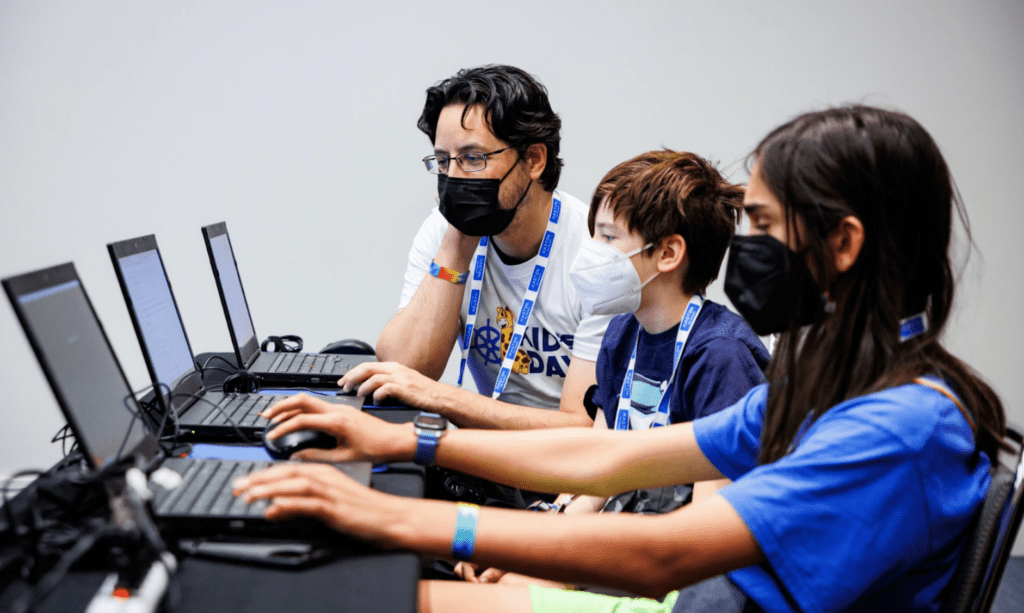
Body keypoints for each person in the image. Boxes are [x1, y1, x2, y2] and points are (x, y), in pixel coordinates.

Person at [234, 105, 1006, 613]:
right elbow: (608, 457)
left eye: (766, 224)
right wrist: (408, 439)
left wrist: (408, 517)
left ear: (843, 243)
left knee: (384, 593)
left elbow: (663, 555)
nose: (749, 249)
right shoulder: (836, 382)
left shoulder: (900, 425)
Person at [455, 150, 771, 588]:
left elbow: (705, 538)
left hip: (682, 572)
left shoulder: (721, 356)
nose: (590, 252)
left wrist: (557, 562)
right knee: (492, 580)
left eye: (607, 236)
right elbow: (596, 475)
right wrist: (533, 545)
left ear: (668, 253)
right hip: (623, 537)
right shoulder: (622, 332)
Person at [355, 64, 610, 430]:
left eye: (473, 159)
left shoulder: (594, 256)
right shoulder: (444, 234)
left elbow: (582, 429)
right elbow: (402, 372)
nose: (454, 177)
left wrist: (445, 399)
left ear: (534, 159)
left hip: (571, 470)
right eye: (443, 161)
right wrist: (457, 246)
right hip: (488, 459)